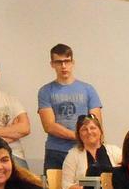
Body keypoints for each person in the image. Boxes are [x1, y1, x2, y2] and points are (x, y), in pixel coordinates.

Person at [37, 44, 102, 172]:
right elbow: (49, 126)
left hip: (84, 150)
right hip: (56, 151)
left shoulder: (88, 89)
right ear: (52, 64)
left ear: (73, 62)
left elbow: (96, 123)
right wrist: (79, 135)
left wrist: (86, 139)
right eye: (59, 62)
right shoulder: (45, 91)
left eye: (67, 61)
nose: (63, 66)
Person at [59, 113, 113, 189]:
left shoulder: (114, 151)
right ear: (79, 135)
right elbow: (67, 188)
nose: (89, 132)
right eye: (84, 129)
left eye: (93, 128)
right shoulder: (72, 155)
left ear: (100, 131)